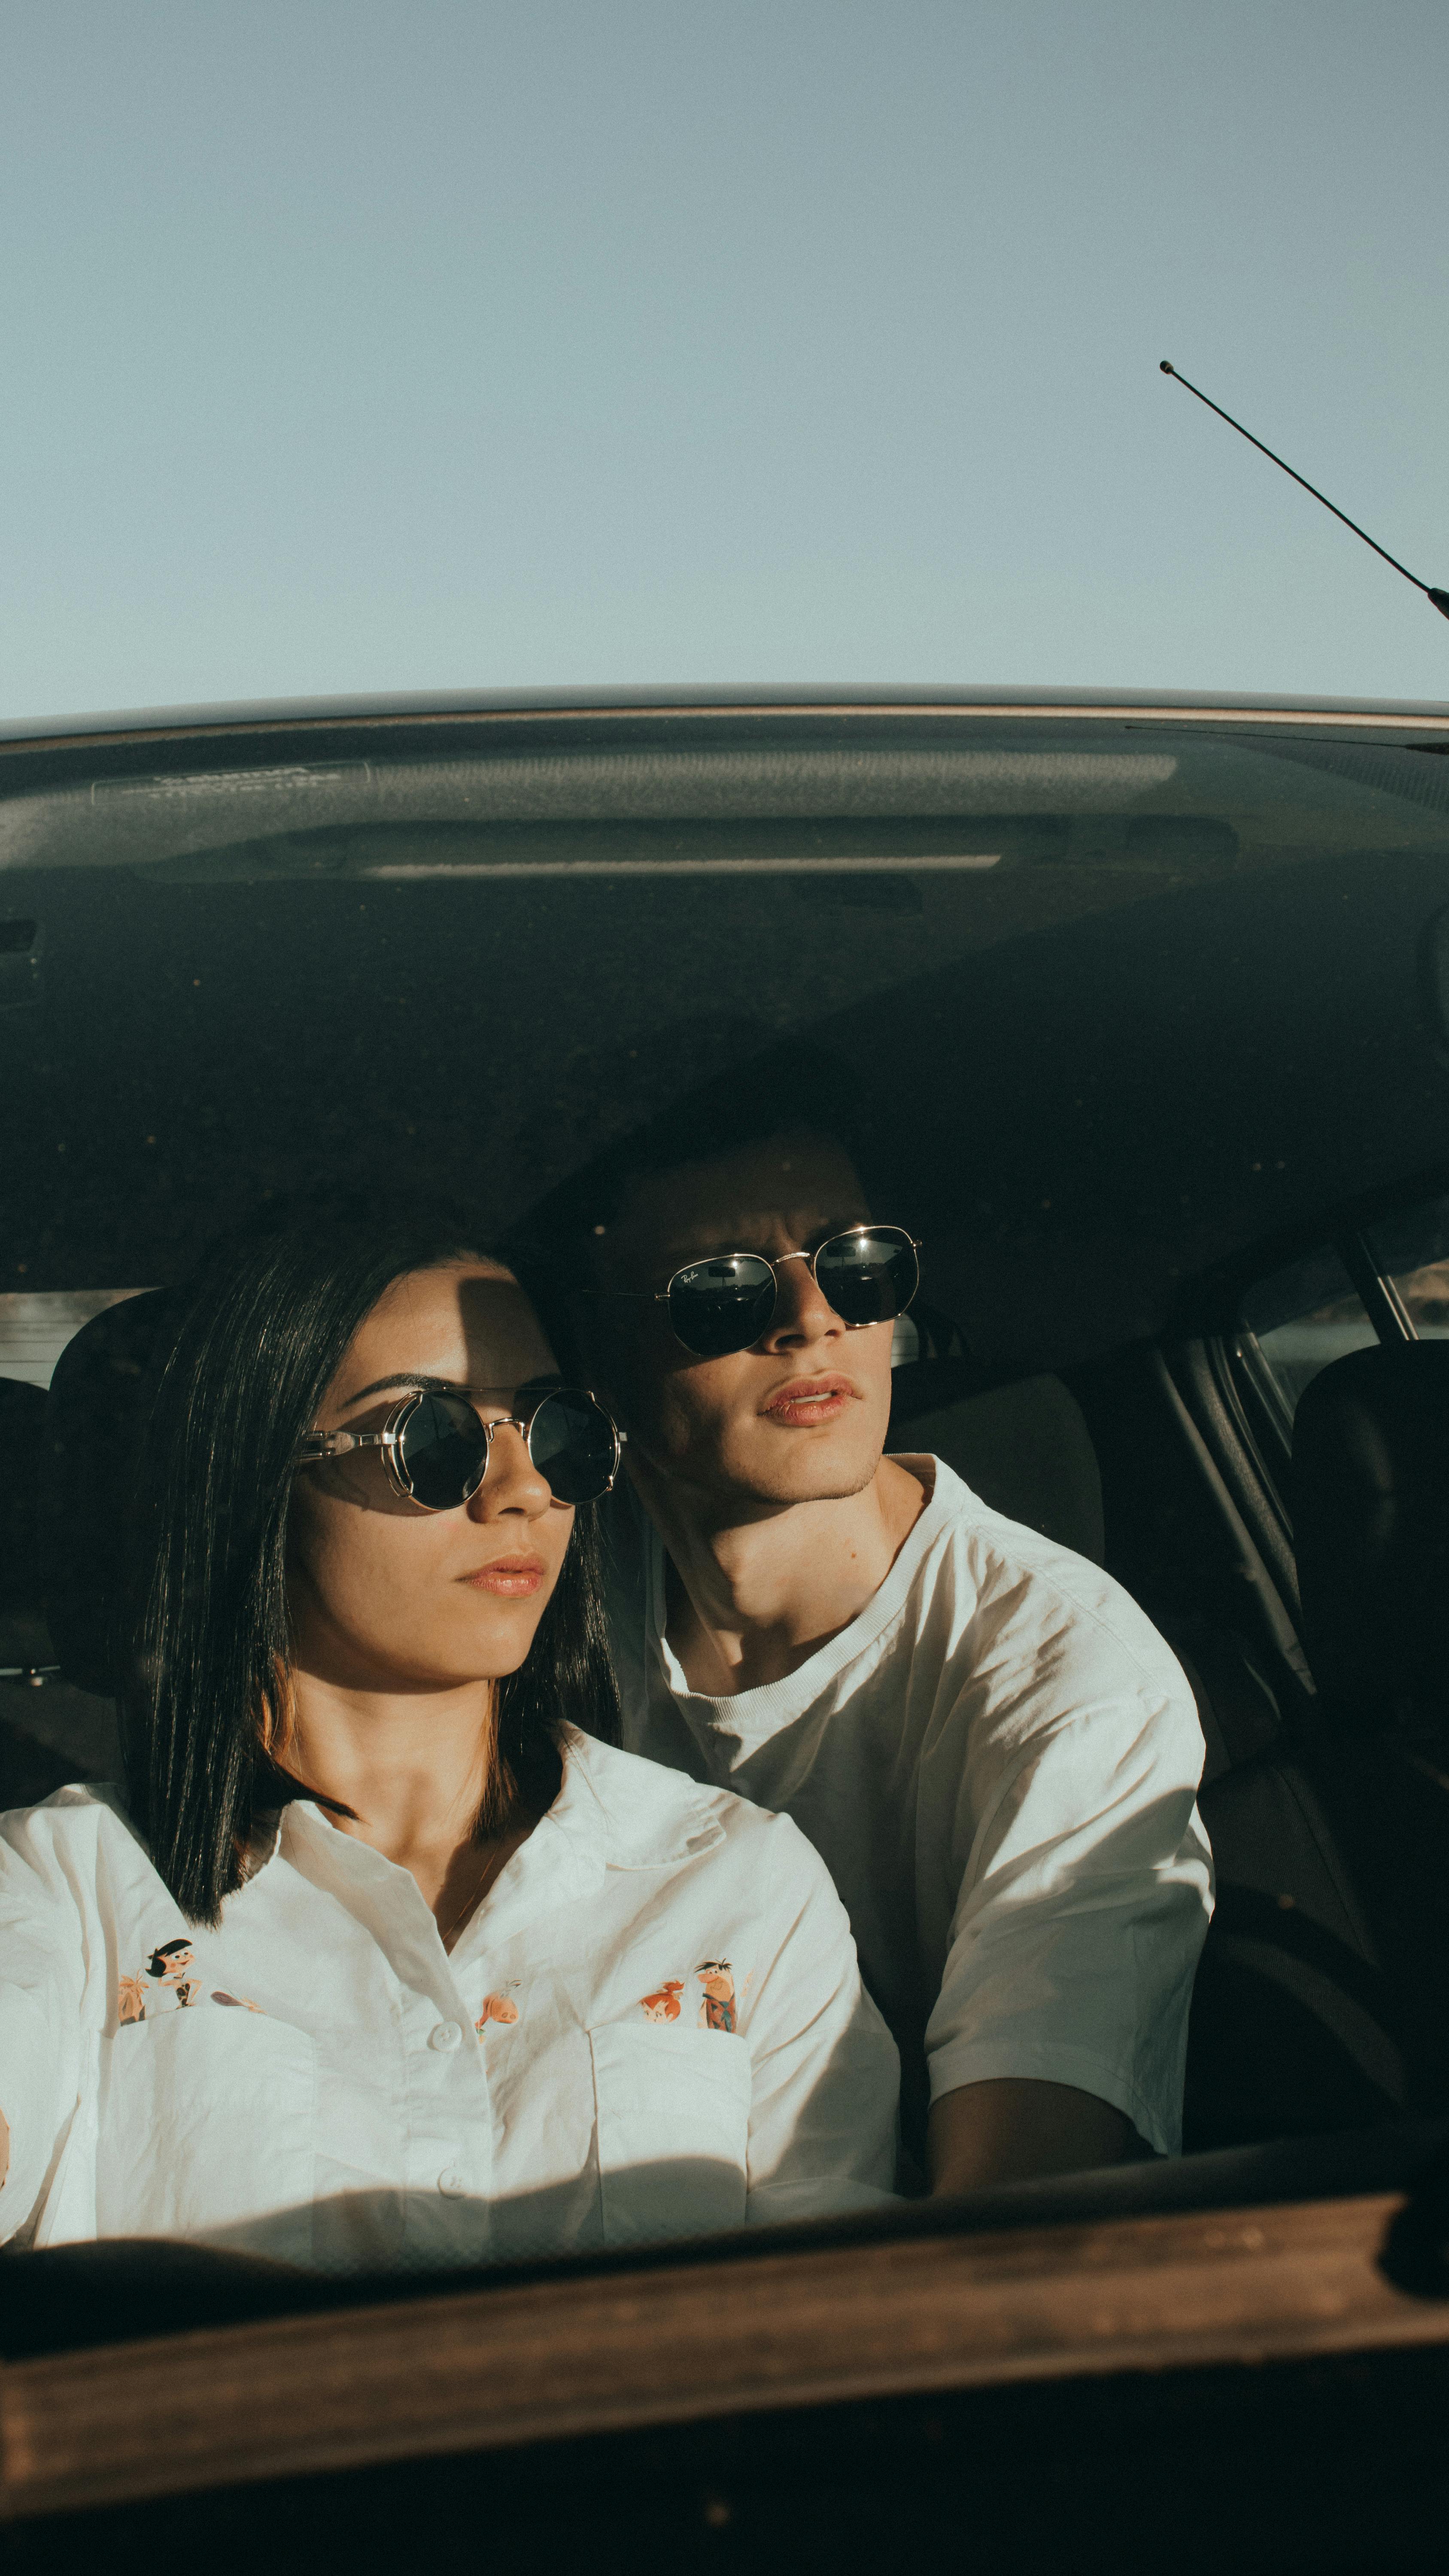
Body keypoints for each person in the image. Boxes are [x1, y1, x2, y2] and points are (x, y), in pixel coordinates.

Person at [0, 1211, 898, 2271]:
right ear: (253, 1473)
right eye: (432, 1440)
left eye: (556, 1432)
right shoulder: (63, 1896)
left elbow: (830, 2349)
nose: (522, 1492)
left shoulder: (738, 1888)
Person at [520, 1057, 1214, 2194]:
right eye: (720, 1289)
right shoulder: (539, 1604)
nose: (813, 1317)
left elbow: (1006, 2215)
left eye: (856, 1263)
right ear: (596, 1363)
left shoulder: (1071, 1684)